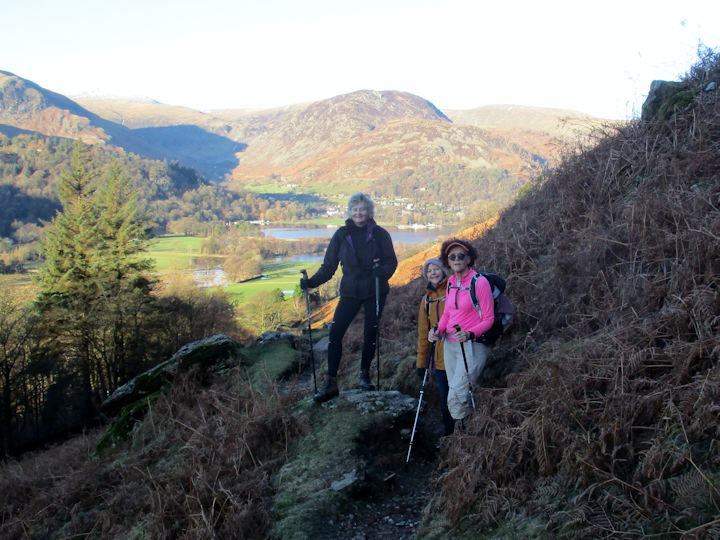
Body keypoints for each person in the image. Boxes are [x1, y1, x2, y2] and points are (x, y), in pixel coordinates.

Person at [300, 193, 398, 402]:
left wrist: (382, 272)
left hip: (375, 290)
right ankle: (331, 382)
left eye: (362, 209)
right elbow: (328, 267)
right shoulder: (341, 235)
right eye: (355, 209)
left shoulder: (380, 234)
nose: (359, 213)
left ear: (369, 211)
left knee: (370, 333)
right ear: (350, 212)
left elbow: (391, 262)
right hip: (350, 291)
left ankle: (364, 376)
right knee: (335, 333)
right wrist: (311, 283)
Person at [428, 238, 494, 425]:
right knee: (459, 392)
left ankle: (465, 434)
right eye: (452, 256)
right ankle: (471, 430)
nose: (456, 259)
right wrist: (437, 330)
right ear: (447, 261)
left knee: (456, 397)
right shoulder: (450, 282)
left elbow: (489, 319)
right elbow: (449, 312)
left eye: (461, 256)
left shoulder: (479, 283)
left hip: (471, 346)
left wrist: (470, 333)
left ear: (469, 259)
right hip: (450, 345)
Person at [416, 257, 454, 436]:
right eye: (429, 270)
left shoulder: (454, 289)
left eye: (436, 268)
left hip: (458, 354)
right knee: (445, 399)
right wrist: (421, 364)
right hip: (439, 361)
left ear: (444, 270)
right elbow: (424, 335)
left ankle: (465, 434)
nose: (433, 272)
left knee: (460, 397)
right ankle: (450, 436)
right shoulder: (426, 301)